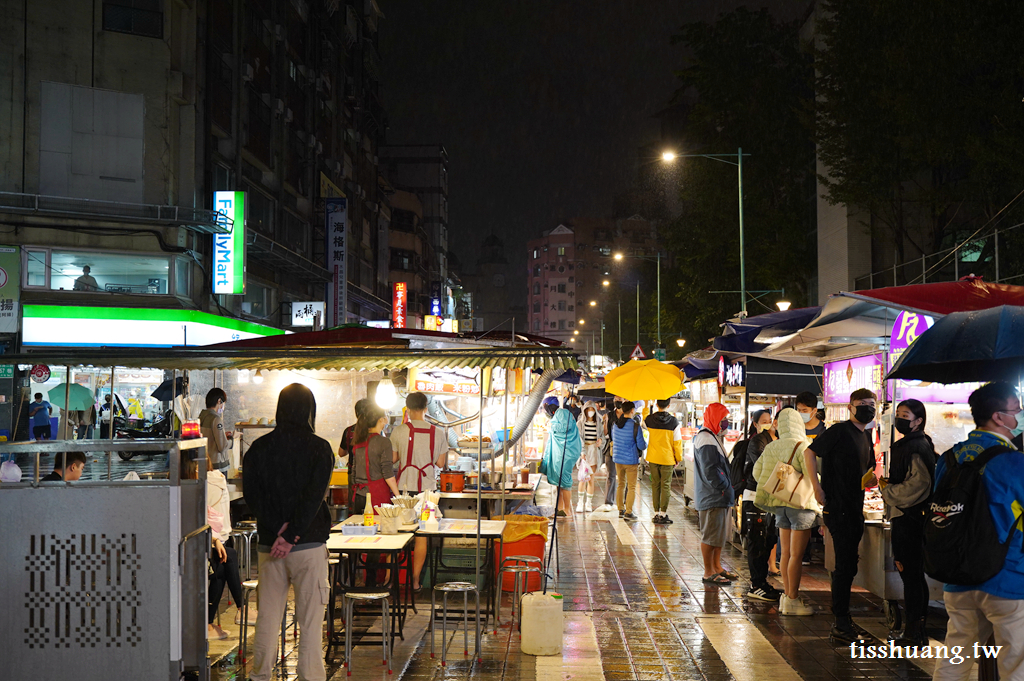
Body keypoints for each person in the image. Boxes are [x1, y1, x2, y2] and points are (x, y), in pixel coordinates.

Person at [932, 382, 1024, 681]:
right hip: (1007, 579)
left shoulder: (949, 459)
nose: (1019, 414)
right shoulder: (1012, 461)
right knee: (1016, 663)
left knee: (955, 655)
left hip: (958, 577)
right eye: (1015, 409)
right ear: (998, 417)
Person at [243, 384, 333, 681]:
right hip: (307, 546)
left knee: (267, 620)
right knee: (309, 623)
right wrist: (292, 534)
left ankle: (260, 677)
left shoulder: (258, 448)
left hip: (270, 547)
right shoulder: (320, 448)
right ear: (309, 409)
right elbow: (313, 498)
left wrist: (277, 533)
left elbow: (252, 497)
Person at [804, 388, 876, 644]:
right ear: (850, 407)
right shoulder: (839, 431)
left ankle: (843, 620)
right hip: (838, 507)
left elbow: (868, 470)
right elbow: (809, 452)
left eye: (871, 404)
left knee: (849, 564)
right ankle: (841, 623)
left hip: (856, 507)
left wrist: (872, 479)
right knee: (845, 566)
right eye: (861, 404)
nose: (867, 408)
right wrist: (817, 487)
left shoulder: (866, 436)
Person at [877, 399, 935, 646]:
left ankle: (914, 632)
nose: (900, 418)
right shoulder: (913, 444)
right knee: (913, 576)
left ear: (918, 420)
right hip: (907, 517)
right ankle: (915, 630)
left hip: (909, 519)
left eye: (905, 415)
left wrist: (889, 491)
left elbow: (918, 484)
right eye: (898, 413)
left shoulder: (915, 447)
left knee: (911, 576)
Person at [754, 408, 820, 615]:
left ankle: (786, 597)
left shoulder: (772, 446)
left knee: (786, 554)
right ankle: (793, 598)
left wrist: (778, 484)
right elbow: (812, 475)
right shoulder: (804, 446)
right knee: (797, 556)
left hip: (780, 505)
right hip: (801, 506)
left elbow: (757, 472)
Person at [391, 392, 450, 590]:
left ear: (407, 408)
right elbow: (440, 463)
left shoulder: (398, 431)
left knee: (399, 533)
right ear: (426, 409)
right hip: (428, 492)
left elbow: (393, 459)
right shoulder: (439, 432)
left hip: (403, 490)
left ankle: (394, 579)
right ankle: (415, 580)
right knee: (422, 535)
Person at [199, 453, 251, 640]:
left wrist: (214, 540)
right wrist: (215, 540)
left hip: (207, 540)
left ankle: (210, 624)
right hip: (203, 543)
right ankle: (241, 608)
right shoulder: (215, 479)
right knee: (228, 557)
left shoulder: (196, 484)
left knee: (223, 563)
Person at [693, 402, 736, 585]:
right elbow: (711, 470)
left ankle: (717, 566)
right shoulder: (706, 438)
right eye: (723, 419)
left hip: (719, 495)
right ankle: (708, 571)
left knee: (718, 535)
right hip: (713, 495)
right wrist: (724, 486)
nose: (726, 423)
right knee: (710, 535)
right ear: (715, 418)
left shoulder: (713, 436)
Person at [742, 409, 781, 601]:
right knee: (757, 541)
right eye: (763, 421)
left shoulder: (774, 441)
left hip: (769, 499)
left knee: (768, 540)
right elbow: (765, 468)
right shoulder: (758, 442)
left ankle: (762, 582)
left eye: (769, 420)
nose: (767, 423)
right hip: (755, 498)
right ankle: (756, 585)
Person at [350, 402, 399, 514]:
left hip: (359, 496)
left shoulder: (357, 441)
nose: (385, 422)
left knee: (361, 529)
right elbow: (388, 473)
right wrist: (398, 498)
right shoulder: (384, 442)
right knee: (377, 528)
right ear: (380, 420)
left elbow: (354, 472)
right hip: (377, 496)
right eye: (384, 419)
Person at [540, 403, 583, 517]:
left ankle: (567, 510)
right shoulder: (561, 414)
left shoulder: (562, 413)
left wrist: (552, 425)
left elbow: (563, 428)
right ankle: (559, 508)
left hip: (566, 452)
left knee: (564, 481)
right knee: (558, 482)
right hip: (561, 451)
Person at [645, 399, 682, 524]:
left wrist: (646, 405)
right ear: (669, 405)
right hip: (667, 458)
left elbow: (643, 421)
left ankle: (655, 513)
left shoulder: (649, 420)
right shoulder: (674, 422)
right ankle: (663, 514)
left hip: (653, 457)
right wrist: (678, 458)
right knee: (665, 485)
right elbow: (677, 443)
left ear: (656, 405)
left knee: (655, 484)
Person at [610, 400, 647, 520]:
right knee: (631, 487)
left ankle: (620, 509)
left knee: (620, 484)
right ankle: (628, 512)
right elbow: (642, 446)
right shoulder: (635, 426)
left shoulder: (615, 425)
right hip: (631, 461)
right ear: (632, 411)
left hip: (618, 459)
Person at [575, 402, 605, 513]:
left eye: (592, 409)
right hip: (584, 451)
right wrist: (582, 452)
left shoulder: (599, 423)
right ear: (585, 410)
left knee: (591, 479)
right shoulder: (580, 423)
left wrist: (601, 441)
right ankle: (580, 502)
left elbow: (602, 436)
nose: (590, 412)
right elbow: (578, 438)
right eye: (588, 409)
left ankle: (588, 503)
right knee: (582, 478)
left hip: (594, 451)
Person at [199, 388, 233, 475]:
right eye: (223, 403)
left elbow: (209, 436)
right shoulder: (216, 419)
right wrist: (232, 440)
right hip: (217, 466)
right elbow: (222, 447)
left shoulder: (201, 416)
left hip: (204, 463)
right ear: (219, 401)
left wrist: (223, 435)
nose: (223, 407)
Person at [601, 399, 622, 509]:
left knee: (624, 477)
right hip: (611, 448)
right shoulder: (609, 415)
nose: (617, 401)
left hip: (624, 449)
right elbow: (605, 433)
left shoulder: (629, 414)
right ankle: (609, 502)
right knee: (611, 475)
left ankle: (623, 502)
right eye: (615, 399)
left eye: (620, 399)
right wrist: (605, 422)